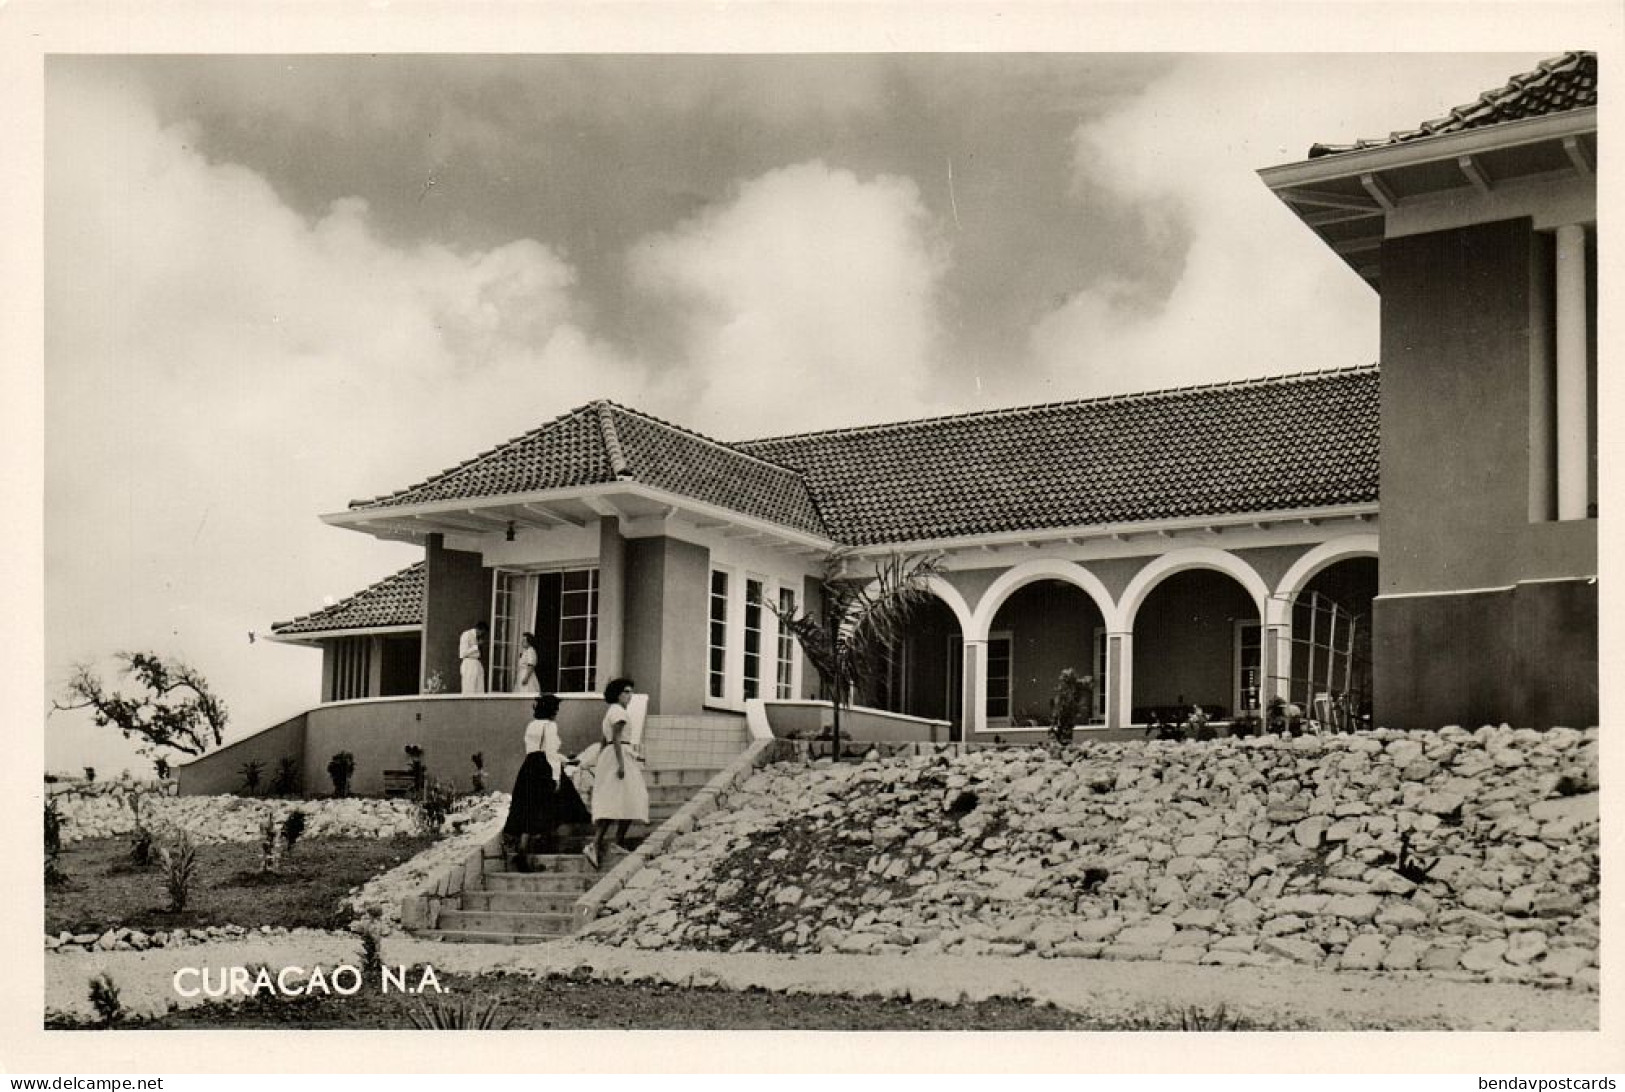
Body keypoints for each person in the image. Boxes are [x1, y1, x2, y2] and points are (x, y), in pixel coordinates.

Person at [503, 694, 589, 865]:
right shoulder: (550, 726)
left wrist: (566, 760)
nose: (556, 713)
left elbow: (536, 750)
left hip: (529, 768)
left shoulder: (531, 726)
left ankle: (523, 850)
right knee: (560, 801)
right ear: (551, 711)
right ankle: (547, 841)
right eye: (555, 709)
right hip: (544, 768)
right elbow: (550, 754)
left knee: (531, 807)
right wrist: (556, 778)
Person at [585, 677, 648, 869]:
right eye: (626, 692)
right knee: (630, 797)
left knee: (623, 799)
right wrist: (621, 764)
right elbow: (617, 739)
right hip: (617, 758)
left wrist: (631, 756)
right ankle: (599, 843)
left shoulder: (611, 712)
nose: (630, 696)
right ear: (617, 694)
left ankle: (614, 842)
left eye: (631, 692)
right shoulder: (618, 712)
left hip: (613, 756)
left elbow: (605, 741)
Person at [458, 621, 488, 693]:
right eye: (482, 632)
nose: (482, 635)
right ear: (479, 629)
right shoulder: (467, 635)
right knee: (469, 688)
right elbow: (462, 653)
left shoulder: (478, 638)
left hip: (477, 664)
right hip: (469, 664)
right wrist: (476, 646)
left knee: (479, 689)